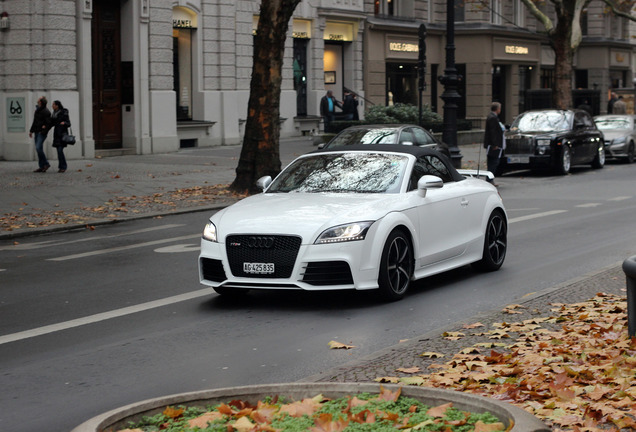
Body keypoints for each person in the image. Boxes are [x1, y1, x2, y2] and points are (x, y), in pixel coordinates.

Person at [483, 101, 505, 185]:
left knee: (492, 162)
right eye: (499, 108)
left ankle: (490, 179)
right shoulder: (492, 118)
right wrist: (494, 144)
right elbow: (493, 132)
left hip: (492, 144)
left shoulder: (492, 117)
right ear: (497, 109)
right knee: (494, 162)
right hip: (493, 145)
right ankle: (489, 179)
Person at [29, 96, 51, 172]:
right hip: (36, 131)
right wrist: (31, 131)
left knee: (38, 148)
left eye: (38, 99)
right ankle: (42, 166)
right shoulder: (37, 110)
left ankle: (46, 163)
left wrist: (43, 130)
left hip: (41, 133)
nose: (37, 100)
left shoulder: (46, 111)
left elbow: (48, 123)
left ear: (40, 102)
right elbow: (34, 121)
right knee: (39, 149)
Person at [49, 100, 71, 173]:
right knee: (59, 151)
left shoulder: (63, 112)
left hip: (62, 134)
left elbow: (68, 123)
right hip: (56, 134)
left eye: (53, 104)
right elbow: (51, 123)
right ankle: (61, 166)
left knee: (60, 150)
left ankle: (63, 166)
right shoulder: (54, 113)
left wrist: (64, 123)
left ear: (57, 105)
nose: (52, 106)